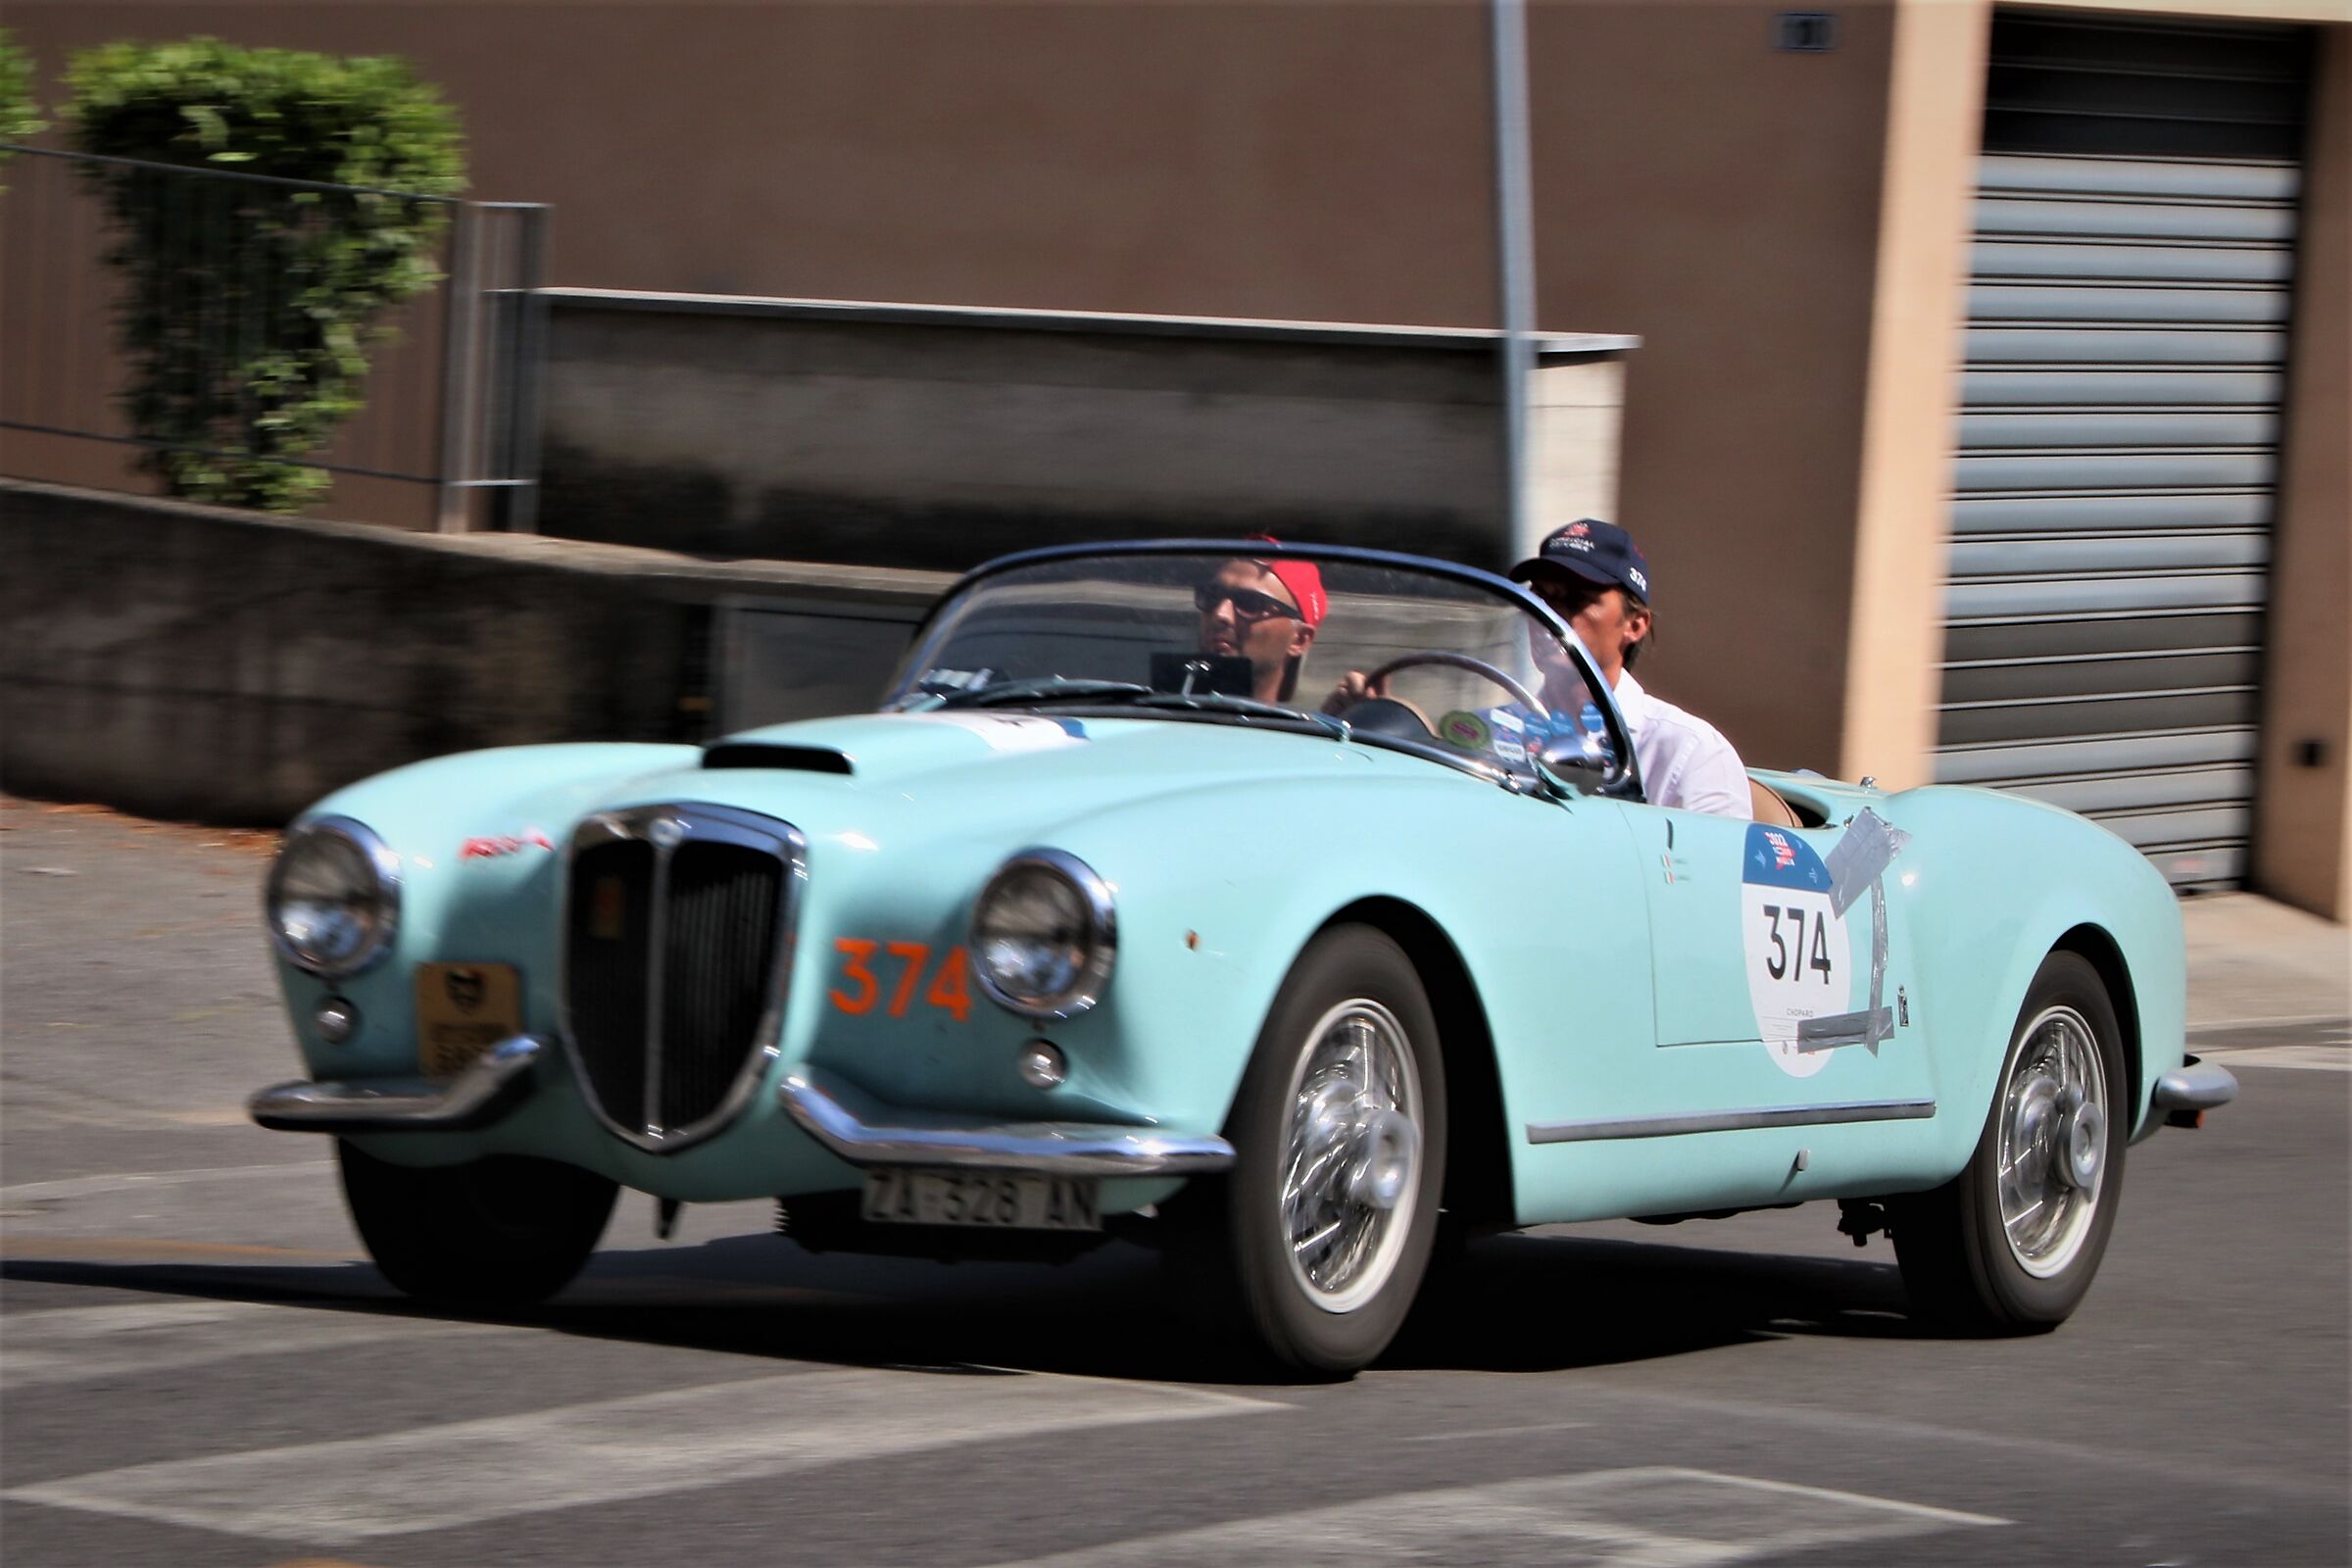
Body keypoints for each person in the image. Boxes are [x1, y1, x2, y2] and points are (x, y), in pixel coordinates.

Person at [1507, 518, 1751, 819]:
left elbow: (1713, 863)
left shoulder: (1691, 752)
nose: (1550, 615)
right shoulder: (1494, 731)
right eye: (1540, 597)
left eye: (1577, 600)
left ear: (1635, 624)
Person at [1193, 546, 1326, 706]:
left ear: (1299, 640)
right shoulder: (1157, 712)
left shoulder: (1305, 729)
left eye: (1250, 603)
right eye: (1212, 596)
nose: (1220, 614)